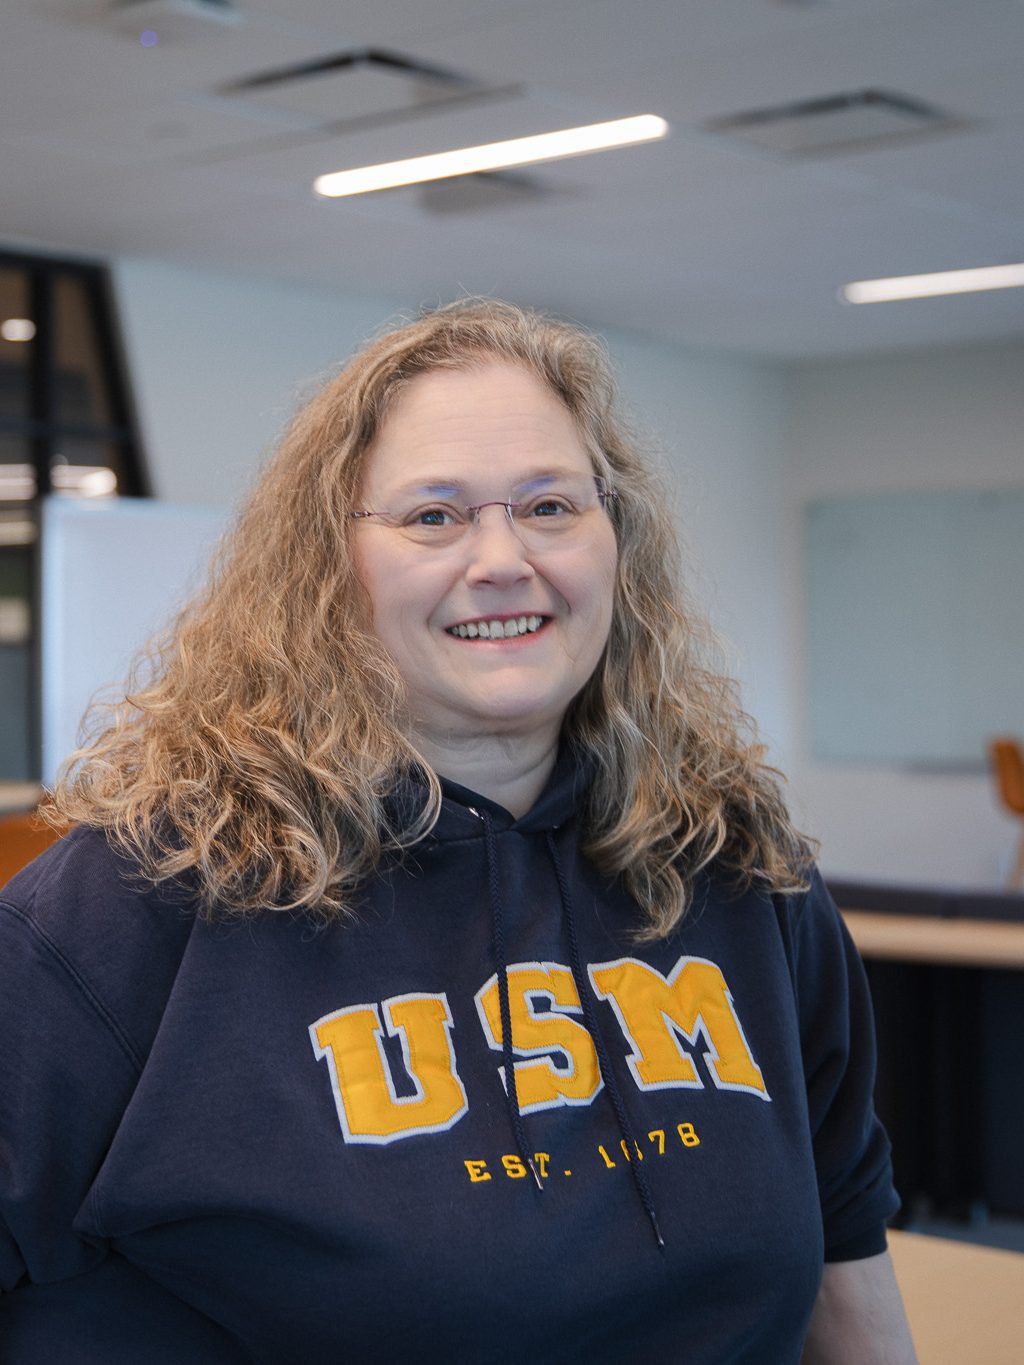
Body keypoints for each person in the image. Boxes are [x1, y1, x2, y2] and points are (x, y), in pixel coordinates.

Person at [0, 300, 916, 1362]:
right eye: (434, 517)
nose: (502, 559)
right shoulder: (136, 899)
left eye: (549, 505)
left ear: (615, 540)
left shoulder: (739, 873)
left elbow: (844, 1256)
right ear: (326, 569)